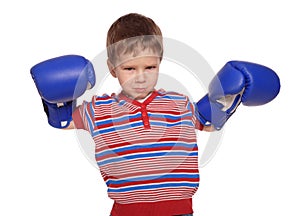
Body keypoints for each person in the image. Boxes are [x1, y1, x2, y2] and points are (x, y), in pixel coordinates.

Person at [30, 13, 280, 216]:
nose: (141, 76)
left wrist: (229, 98)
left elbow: (209, 123)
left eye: (150, 66)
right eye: (129, 68)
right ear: (112, 69)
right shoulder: (99, 109)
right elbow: (62, 123)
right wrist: (55, 100)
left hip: (179, 211)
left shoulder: (179, 104)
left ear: (160, 62)